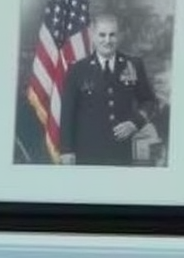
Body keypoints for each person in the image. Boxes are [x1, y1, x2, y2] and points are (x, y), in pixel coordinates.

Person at [57, 10, 158, 166]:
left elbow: (149, 101)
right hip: (86, 153)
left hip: (120, 152)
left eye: (112, 35)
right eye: (102, 35)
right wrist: (66, 150)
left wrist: (135, 123)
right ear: (92, 35)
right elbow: (67, 113)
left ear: (119, 36)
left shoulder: (133, 64)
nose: (107, 40)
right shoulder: (78, 70)